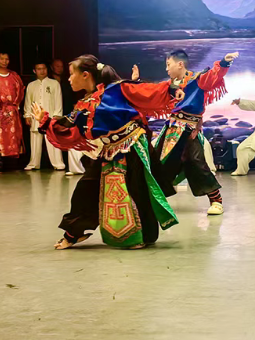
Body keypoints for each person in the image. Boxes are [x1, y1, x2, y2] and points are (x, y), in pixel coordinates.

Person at [33, 54, 180, 250]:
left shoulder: (117, 89)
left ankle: (143, 236)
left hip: (133, 145)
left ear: (85, 75)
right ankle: (73, 233)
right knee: (86, 189)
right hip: (109, 150)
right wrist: (45, 122)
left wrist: (171, 89)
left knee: (137, 191)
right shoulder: (83, 104)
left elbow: (146, 91)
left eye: (71, 74)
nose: (69, 79)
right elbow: (69, 127)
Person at [133, 50, 237, 215]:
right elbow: (150, 92)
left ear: (180, 64)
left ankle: (216, 200)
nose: (166, 69)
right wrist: (136, 82)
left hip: (190, 130)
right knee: (159, 163)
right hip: (171, 130)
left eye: (168, 65)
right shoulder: (168, 86)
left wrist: (224, 62)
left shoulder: (197, 80)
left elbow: (213, 76)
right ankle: (154, 200)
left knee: (196, 162)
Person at [23, 62, 65, 171]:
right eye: (39, 69)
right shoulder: (31, 85)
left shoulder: (54, 83)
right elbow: (28, 101)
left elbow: (58, 100)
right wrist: (27, 115)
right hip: (35, 117)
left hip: (50, 117)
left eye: (43, 68)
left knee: (52, 140)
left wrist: (57, 115)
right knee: (35, 141)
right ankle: (33, 163)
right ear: (34, 71)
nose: (42, 71)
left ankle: (58, 163)